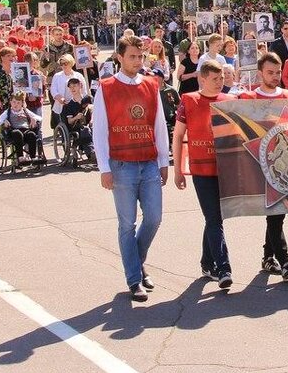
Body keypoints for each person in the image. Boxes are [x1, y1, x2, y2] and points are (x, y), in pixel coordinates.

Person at [91, 37, 171, 303]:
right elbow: (100, 130)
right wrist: (104, 167)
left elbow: (159, 125)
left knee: (154, 218)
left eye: (140, 57)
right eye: (132, 56)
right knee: (127, 223)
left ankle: (136, 261)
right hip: (121, 165)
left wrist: (162, 161)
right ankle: (134, 279)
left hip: (148, 162)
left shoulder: (150, 84)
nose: (137, 61)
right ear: (120, 57)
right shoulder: (106, 87)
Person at [173, 61, 246, 287]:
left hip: (225, 169)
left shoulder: (230, 101)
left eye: (222, 78)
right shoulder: (189, 100)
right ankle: (224, 268)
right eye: (215, 79)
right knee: (214, 218)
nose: (219, 82)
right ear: (202, 79)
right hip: (201, 169)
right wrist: (177, 170)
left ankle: (206, 262)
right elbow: (177, 136)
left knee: (215, 218)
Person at [238, 52, 288, 280]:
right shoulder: (248, 98)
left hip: (285, 163)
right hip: (260, 162)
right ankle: (284, 261)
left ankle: (268, 257)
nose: (275, 76)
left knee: (277, 213)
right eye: (270, 72)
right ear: (260, 73)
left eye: (278, 72)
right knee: (275, 212)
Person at [0, 92, 43, 165]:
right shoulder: (7, 112)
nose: (16, 104)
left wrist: (33, 118)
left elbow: (40, 118)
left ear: (22, 103)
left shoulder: (25, 111)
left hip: (26, 131)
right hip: (13, 132)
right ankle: (20, 157)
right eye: (14, 102)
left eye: (18, 103)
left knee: (32, 134)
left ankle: (33, 157)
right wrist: (4, 121)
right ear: (10, 102)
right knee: (17, 133)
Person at [60, 77, 94, 160]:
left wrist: (92, 120)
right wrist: (76, 117)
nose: (72, 88)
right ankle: (91, 152)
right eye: (70, 87)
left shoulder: (88, 99)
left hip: (90, 123)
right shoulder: (69, 105)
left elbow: (95, 112)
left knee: (95, 128)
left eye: (74, 86)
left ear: (80, 86)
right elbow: (70, 121)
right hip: (77, 126)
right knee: (85, 129)